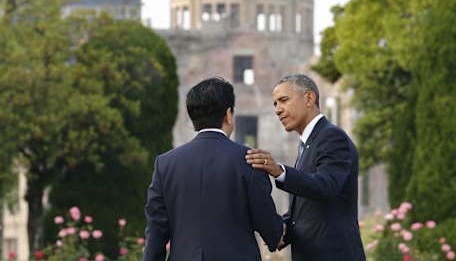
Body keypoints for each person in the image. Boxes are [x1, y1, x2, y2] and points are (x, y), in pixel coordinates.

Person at [144, 77, 283, 261]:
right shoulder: (250, 161)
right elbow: (272, 233)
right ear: (228, 115)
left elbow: (155, 234)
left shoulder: (165, 164)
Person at [245, 74, 366, 260]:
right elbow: (307, 207)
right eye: (275, 104)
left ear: (309, 98)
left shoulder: (332, 137)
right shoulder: (307, 143)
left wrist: (279, 171)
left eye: (283, 100)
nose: (277, 110)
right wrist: (282, 229)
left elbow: (326, 186)